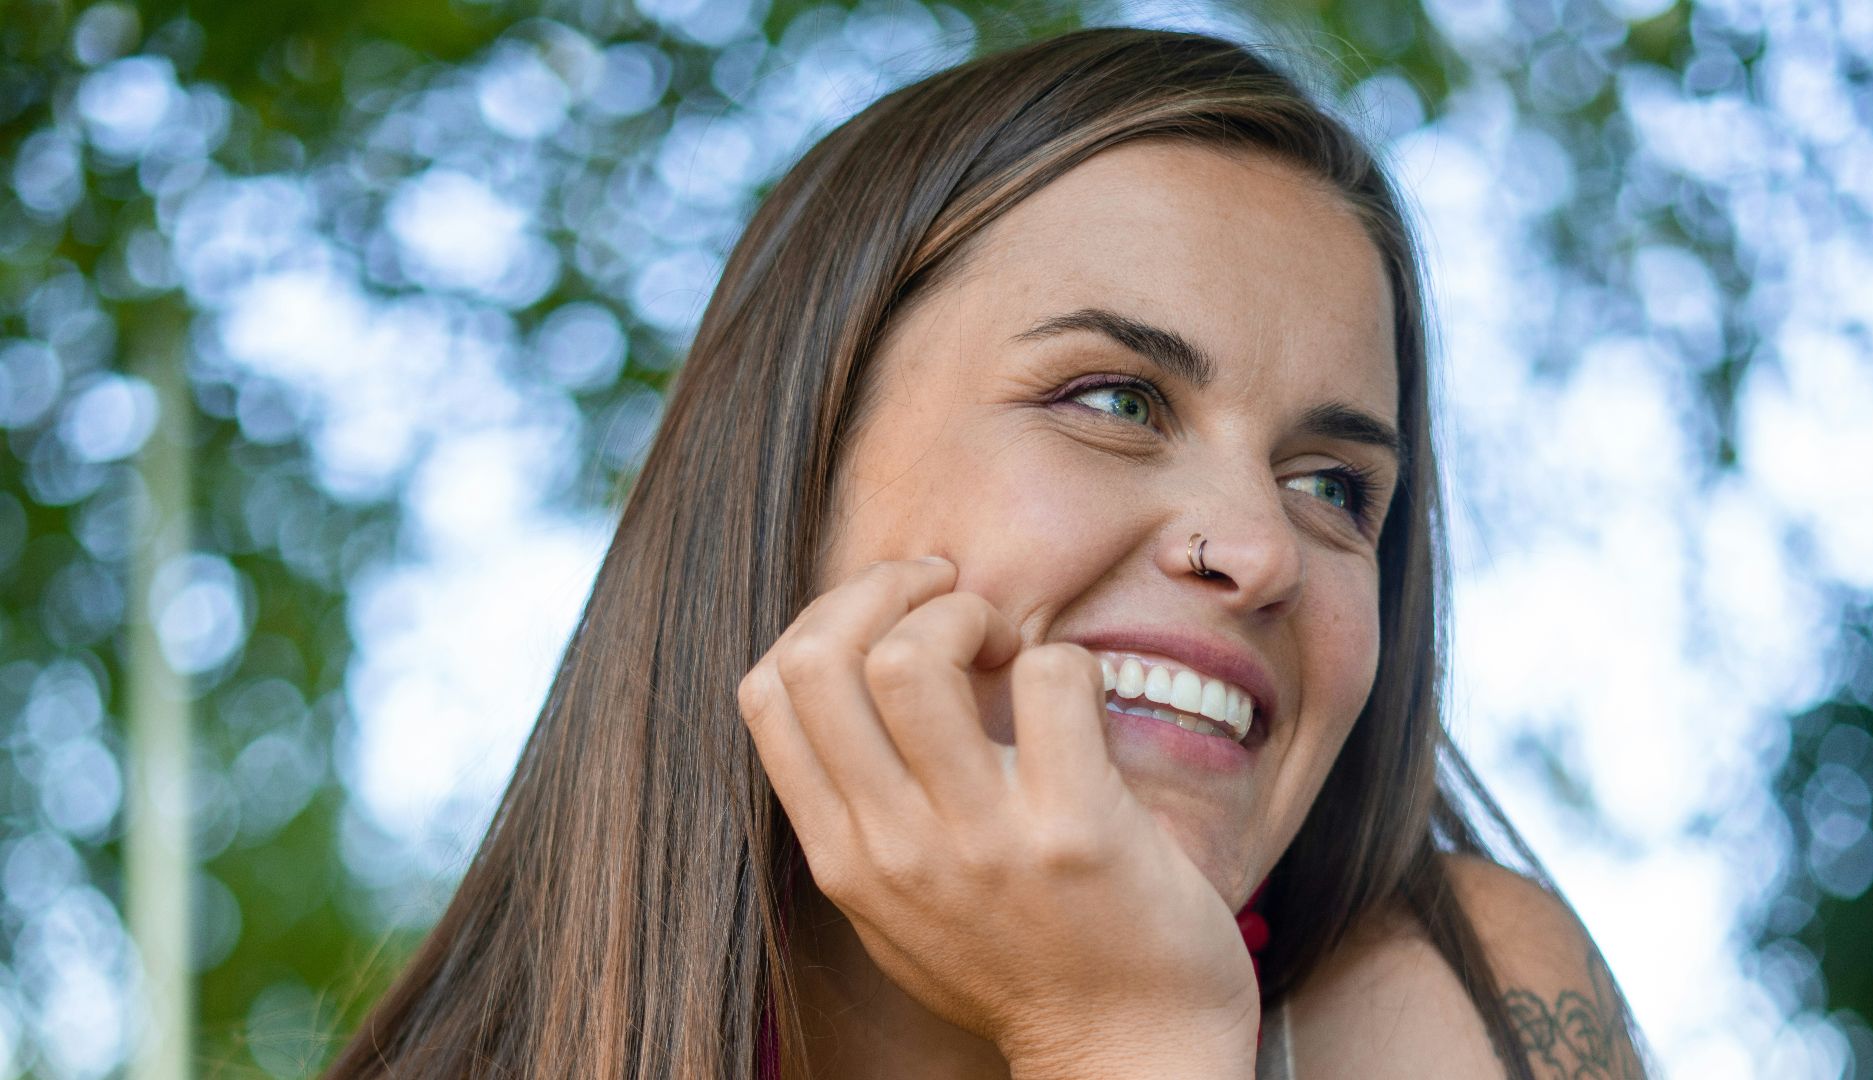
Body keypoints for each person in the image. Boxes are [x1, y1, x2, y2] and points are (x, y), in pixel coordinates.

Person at [325, 26, 1651, 1080]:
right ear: (798, 466)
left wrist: (1128, 1038)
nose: (1260, 549)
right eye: (1118, 401)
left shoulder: (1445, 995)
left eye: (1332, 485)